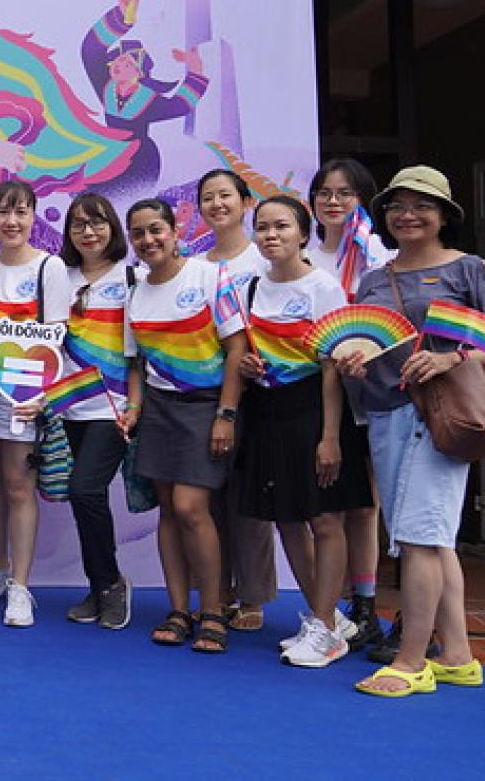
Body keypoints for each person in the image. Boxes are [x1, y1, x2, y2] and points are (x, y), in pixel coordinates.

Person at [339, 166, 485, 698]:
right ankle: (458, 656)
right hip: (384, 414)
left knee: (418, 539)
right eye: (397, 206)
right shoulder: (373, 279)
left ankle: (413, 662)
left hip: (438, 416)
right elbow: (372, 345)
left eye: (421, 205)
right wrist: (355, 358)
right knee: (432, 540)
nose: (408, 214)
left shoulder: (468, 270)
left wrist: (453, 360)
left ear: (444, 215)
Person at [123, 198, 247, 654]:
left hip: (206, 408)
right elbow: (135, 363)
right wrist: (134, 410)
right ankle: (178, 610)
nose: (148, 240)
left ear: (175, 231)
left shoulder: (210, 276)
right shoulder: (134, 290)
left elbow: (237, 349)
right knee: (169, 511)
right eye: (138, 233)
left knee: (192, 506)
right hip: (158, 409)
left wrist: (226, 415)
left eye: (156, 229)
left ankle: (212, 611)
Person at [236, 195, 355, 668]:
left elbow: (332, 370)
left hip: (313, 411)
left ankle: (326, 628)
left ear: (303, 234)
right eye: (262, 227)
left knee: (325, 519)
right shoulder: (249, 288)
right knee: (286, 517)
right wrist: (247, 366)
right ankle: (320, 618)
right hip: (267, 412)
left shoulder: (323, 288)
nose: (270, 235)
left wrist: (329, 437)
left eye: (281, 226)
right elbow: (248, 354)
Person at [0, 181, 70, 627]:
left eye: (21, 212)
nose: (12, 221)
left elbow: (58, 337)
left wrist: (43, 396)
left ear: (32, 217)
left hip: (24, 387)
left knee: (18, 486)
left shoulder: (50, 268)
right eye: (4, 213)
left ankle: (21, 587)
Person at [306, 157, 391, 655]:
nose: (333, 201)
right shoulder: (304, 257)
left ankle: (365, 603)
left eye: (345, 193)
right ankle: (327, 606)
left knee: (363, 505)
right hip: (313, 399)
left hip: (369, 395)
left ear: (362, 199)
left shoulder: (379, 258)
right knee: (323, 508)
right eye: (324, 193)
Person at [195, 169, 275, 633]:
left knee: (249, 502)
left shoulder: (263, 259)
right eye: (208, 198)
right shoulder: (195, 265)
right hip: (211, 393)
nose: (217, 204)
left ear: (246, 203)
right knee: (212, 499)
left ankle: (254, 595)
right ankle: (217, 590)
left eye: (226, 195)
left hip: (263, 396)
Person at [58, 192, 137, 630]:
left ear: (113, 228)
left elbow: (141, 352)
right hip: (67, 407)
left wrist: (136, 405)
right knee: (83, 498)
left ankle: (109, 584)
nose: (88, 232)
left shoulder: (131, 278)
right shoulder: (57, 275)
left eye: (98, 222)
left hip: (113, 407)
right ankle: (100, 584)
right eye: (78, 225)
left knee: (85, 490)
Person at [77, 0, 208, 203]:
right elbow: (90, 49)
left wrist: (196, 72)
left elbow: (181, 105)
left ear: (139, 74)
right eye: (118, 59)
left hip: (140, 162)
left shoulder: (148, 100)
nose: (119, 64)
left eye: (128, 63)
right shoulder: (106, 86)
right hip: (113, 153)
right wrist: (121, 17)